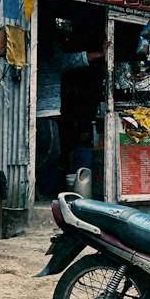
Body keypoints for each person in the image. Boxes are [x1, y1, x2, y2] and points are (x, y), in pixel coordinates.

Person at [35, 36, 105, 198]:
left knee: (46, 153)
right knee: (51, 153)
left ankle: (35, 184)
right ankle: (31, 182)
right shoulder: (54, 59)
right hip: (45, 116)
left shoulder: (41, 60)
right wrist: (100, 54)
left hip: (41, 116)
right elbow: (77, 59)